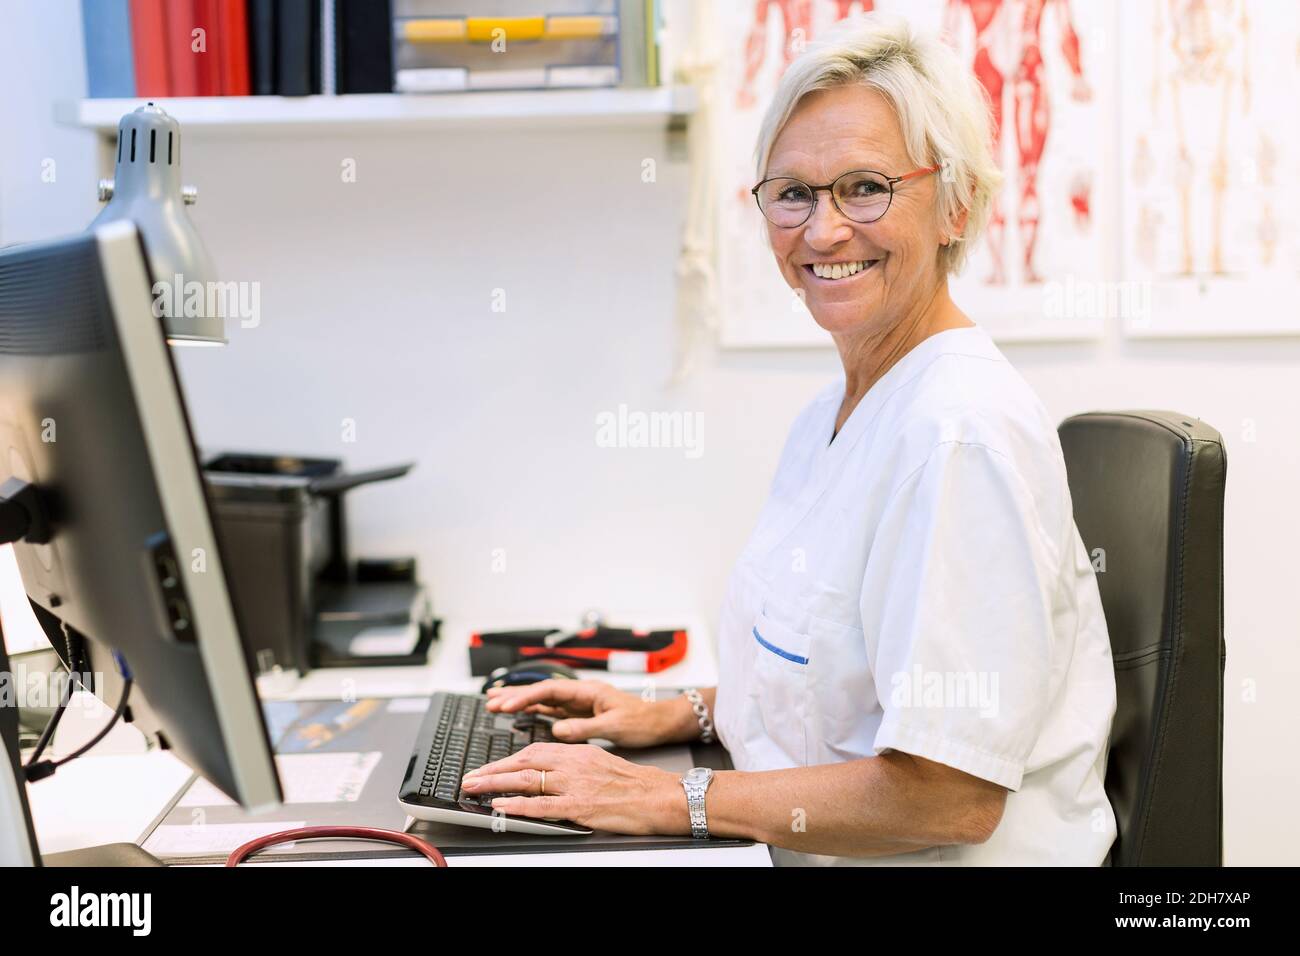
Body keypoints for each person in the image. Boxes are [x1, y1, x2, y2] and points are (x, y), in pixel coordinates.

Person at [460, 14, 1117, 865]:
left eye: (865, 187)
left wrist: (672, 796)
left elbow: (950, 795)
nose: (823, 231)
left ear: (955, 203)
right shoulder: (840, 413)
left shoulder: (958, 435)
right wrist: (683, 712)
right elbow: (838, 683)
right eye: (794, 193)